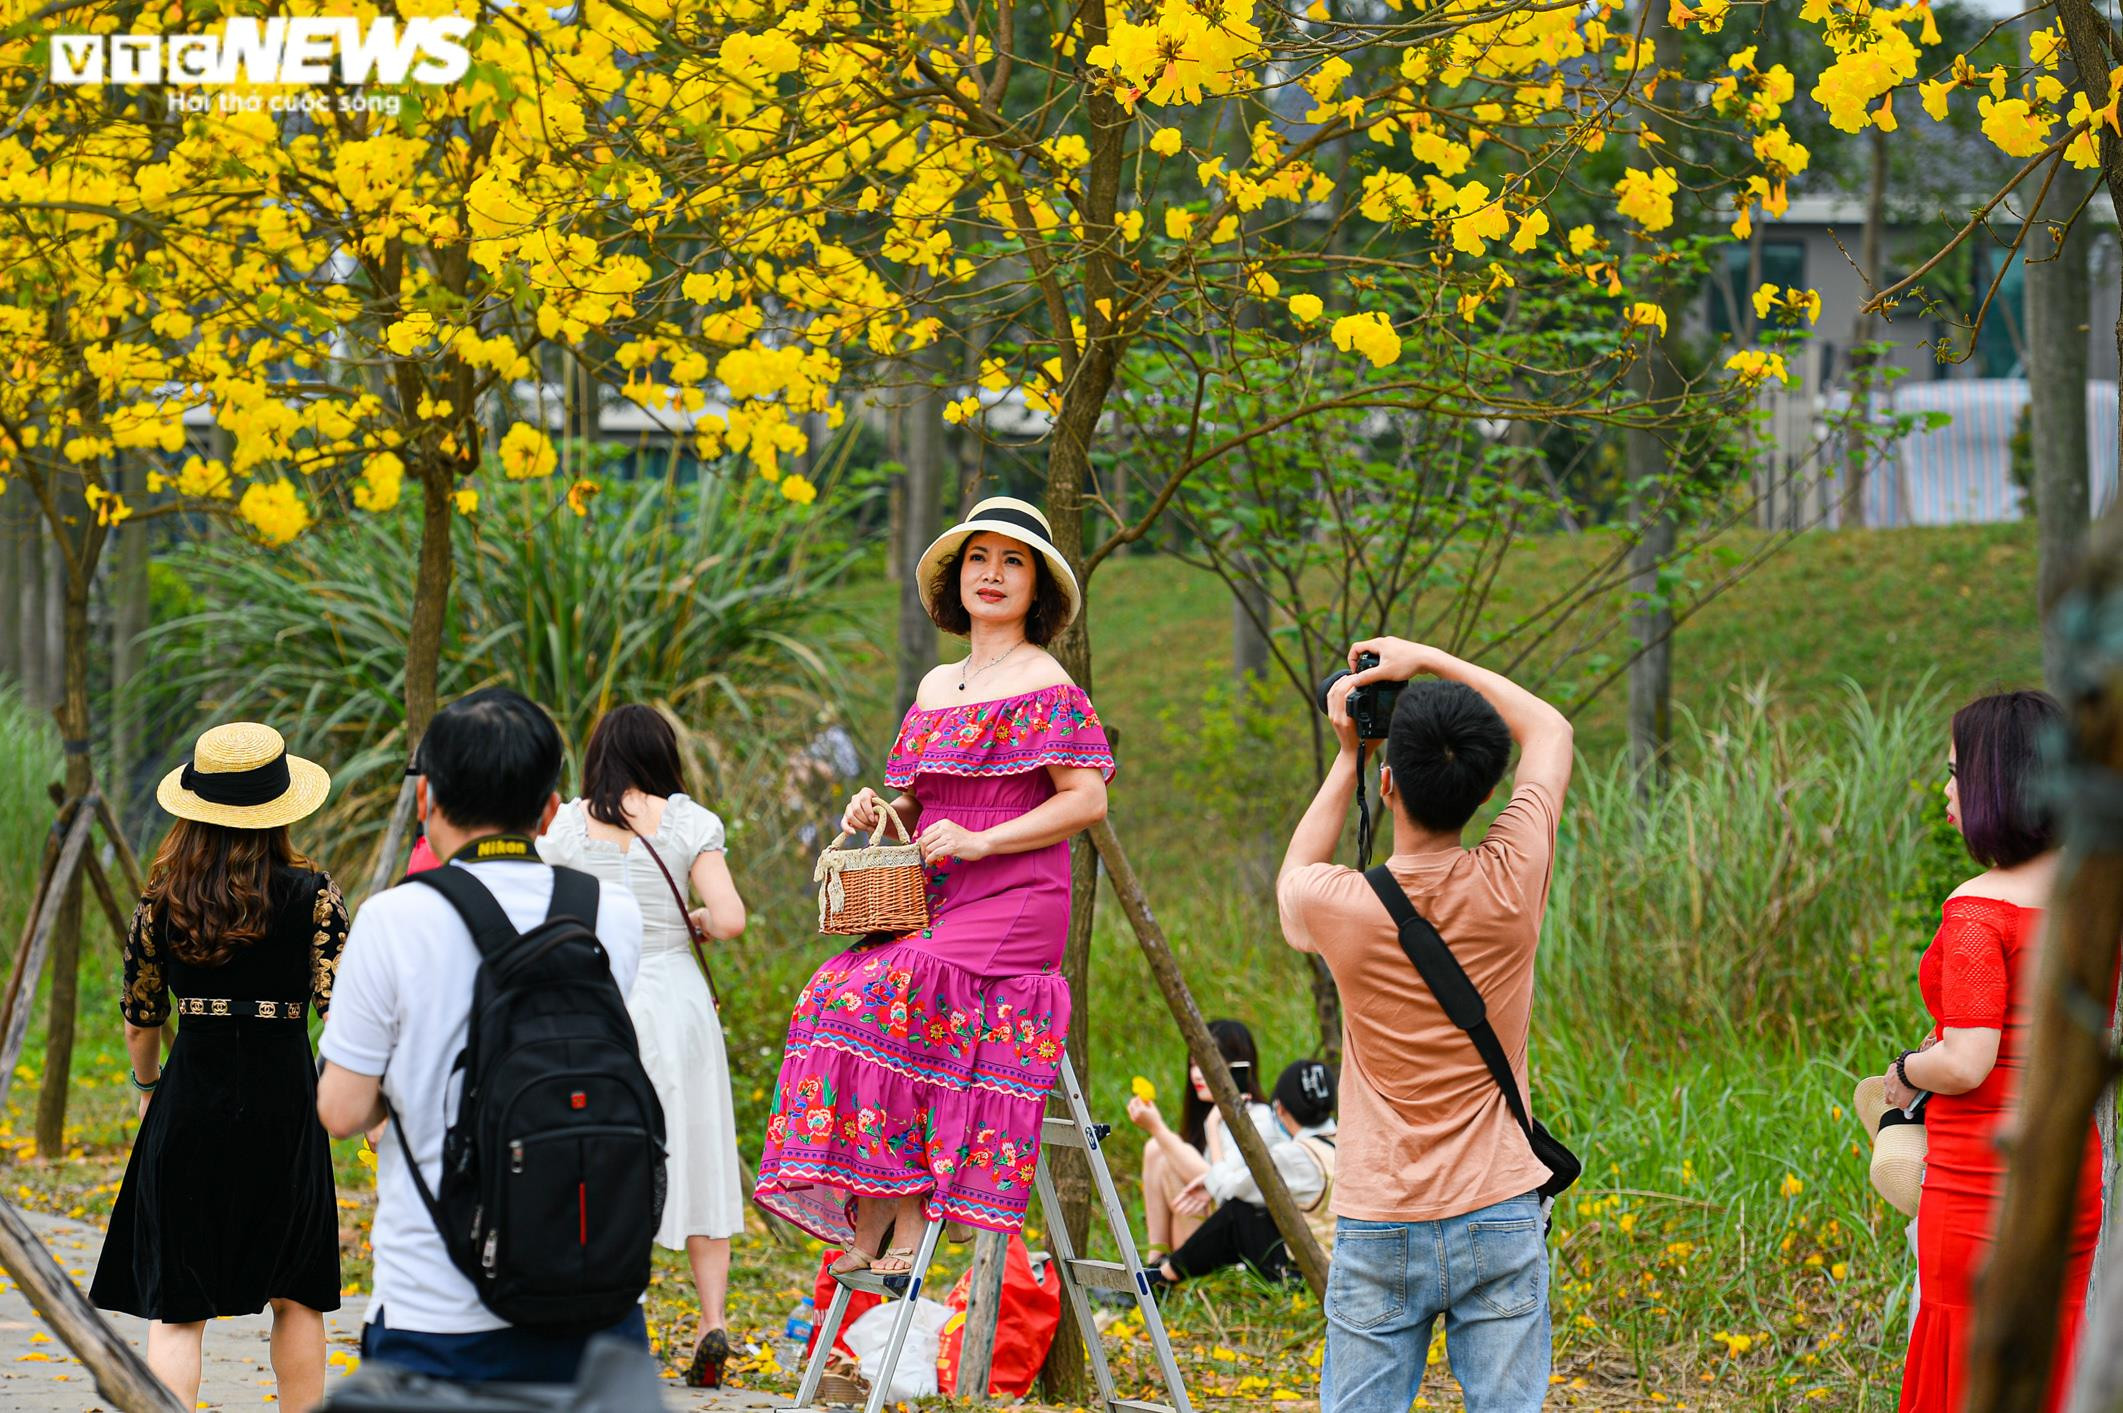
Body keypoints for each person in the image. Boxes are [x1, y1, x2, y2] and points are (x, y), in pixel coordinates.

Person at [754, 496, 1114, 1278]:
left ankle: (910, 1219)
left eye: (1012, 562)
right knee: (833, 991)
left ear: (1037, 588)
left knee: (894, 985)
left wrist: (983, 837)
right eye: (978, 559)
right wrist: (879, 808)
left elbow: (1086, 799)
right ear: (957, 579)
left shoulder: (1043, 679)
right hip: (935, 893)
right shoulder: (935, 685)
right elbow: (919, 799)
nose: (992, 574)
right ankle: (878, 1206)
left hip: (1016, 894)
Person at [315, 688, 648, 1382]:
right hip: (596, 1304)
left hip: (437, 1311)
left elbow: (341, 1110)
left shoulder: (392, 919)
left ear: (425, 797)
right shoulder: (610, 912)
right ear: (552, 808)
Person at [1280, 637, 1573, 1413]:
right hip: (1500, 1202)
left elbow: (1292, 879)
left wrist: (1345, 756)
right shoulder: (1513, 876)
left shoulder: (1335, 905)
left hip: (1381, 1212)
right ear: (1484, 796)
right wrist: (1428, 658)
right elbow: (1549, 730)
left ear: (1389, 785)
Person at [90, 722, 344, 1412]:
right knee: (296, 1295)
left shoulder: (161, 901)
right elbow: (339, 1005)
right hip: (288, 1105)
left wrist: (148, 1088)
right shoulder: (315, 894)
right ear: (281, 805)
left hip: (190, 1099)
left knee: (178, 1307)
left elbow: (142, 1018)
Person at [1885, 690, 2103, 1413]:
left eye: (1953, 771)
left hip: (1981, 1184)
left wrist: (1903, 1070)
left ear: (1996, 783)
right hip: (2069, 1171)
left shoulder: (1978, 906)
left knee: (1965, 1355)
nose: (1945, 789)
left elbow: (1967, 1061)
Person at [536, 704, 749, 1388]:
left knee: (605, 1151)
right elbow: (731, 918)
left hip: (604, 1001)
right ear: (661, 755)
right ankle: (711, 1317)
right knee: (698, 1148)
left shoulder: (569, 824)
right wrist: (696, 922)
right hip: (679, 1002)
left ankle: (620, 1314)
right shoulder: (687, 822)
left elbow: (538, 904)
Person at [1148, 1059, 1339, 1292]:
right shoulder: (1343, 1142)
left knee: (1241, 1212)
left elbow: (1229, 1191)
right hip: (1340, 1269)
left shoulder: (1294, 1156)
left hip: (1308, 1278)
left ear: (1280, 1108)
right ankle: (1164, 1274)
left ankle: (1160, 1278)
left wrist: (1212, 1127)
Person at [1124, 1018, 1268, 1264]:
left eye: (1207, 1065)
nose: (1196, 1074)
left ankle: (1160, 1276)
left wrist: (1158, 1128)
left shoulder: (1258, 1117)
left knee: (1161, 1145)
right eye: (1193, 1064)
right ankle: (1154, 1263)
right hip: (1199, 1239)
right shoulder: (1206, 1115)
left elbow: (1225, 1193)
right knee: (1156, 1149)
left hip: (1234, 1246)